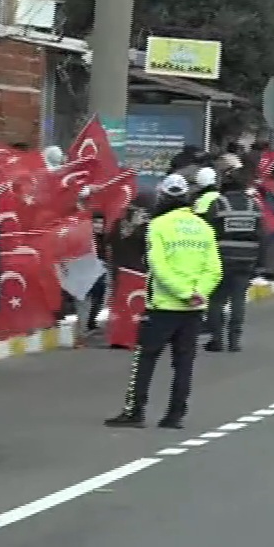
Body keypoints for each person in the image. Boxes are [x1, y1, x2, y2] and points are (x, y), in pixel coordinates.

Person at [105, 174, 221, 430]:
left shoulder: (157, 225)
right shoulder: (203, 227)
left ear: (163, 197)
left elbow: (158, 266)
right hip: (194, 308)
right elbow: (214, 268)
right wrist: (198, 293)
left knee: (144, 359)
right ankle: (175, 415)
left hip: (163, 306)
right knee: (184, 363)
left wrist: (181, 293)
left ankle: (135, 411)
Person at [202, 165, 260, 352]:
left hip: (222, 258)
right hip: (247, 258)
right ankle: (234, 341)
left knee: (217, 299)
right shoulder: (254, 205)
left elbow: (208, 231)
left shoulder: (218, 204)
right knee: (238, 299)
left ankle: (217, 340)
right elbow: (261, 233)